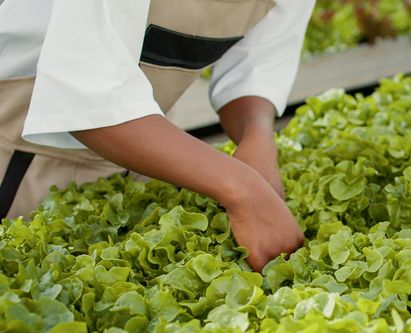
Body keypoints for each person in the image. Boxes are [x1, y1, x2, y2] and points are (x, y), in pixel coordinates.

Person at [0, 0, 315, 272]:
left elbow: (254, 67)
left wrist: (256, 136)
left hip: (147, 145)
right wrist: (241, 186)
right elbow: (85, 96)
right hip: (20, 143)